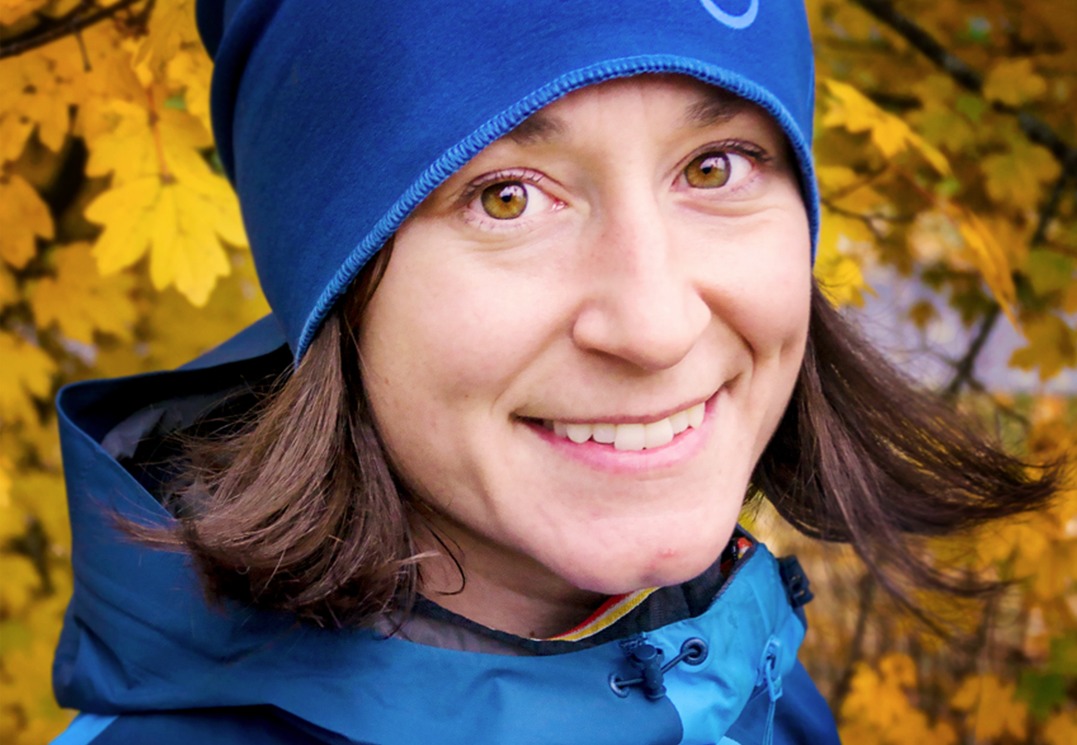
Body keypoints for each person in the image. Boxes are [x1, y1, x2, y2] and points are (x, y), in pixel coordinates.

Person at [50, 2, 1055, 743]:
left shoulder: (754, 688)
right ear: (337, 290)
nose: (656, 325)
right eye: (508, 197)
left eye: (714, 166)